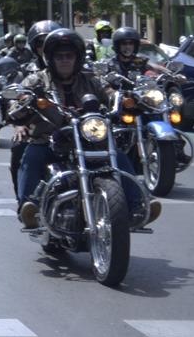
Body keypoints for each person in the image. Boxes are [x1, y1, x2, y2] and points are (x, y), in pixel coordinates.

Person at [8, 27, 158, 231]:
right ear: (50, 58)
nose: (64, 60)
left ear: (77, 57)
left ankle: (139, 204)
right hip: (50, 138)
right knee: (32, 155)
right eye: (59, 56)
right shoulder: (37, 80)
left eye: (69, 55)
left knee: (119, 157)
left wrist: (128, 101)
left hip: (90, 137)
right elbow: (16, 104)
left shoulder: (90, 79)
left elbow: (109, 92)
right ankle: (29, 208)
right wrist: (24, 102)